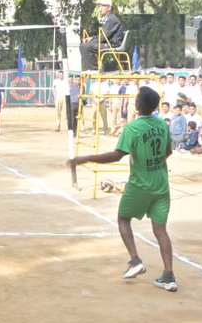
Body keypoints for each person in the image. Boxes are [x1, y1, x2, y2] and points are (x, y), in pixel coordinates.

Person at [67, 86, 178, 292]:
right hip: (161, 184)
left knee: (123, 219)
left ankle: (135, 260)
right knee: (160, 230)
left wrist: (86, 158)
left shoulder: (132, 128)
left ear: (137, 105)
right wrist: (153, 162)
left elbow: (117, 155)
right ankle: (168, 275)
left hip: (140, 184)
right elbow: (168, 151)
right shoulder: (162, 124)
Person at [80, 0, 124, 71]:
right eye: (99, 6)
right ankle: (89, 69)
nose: (100, 8)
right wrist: (92, 38)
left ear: (109, 8)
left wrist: (93, 39)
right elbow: (103, 35)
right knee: (84, 45)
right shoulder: (107, 19)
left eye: (103, 6)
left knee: (87, 46)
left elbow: (104, 37)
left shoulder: (112, 19)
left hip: (112, 44)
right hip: (107, 42)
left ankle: (94, 69)